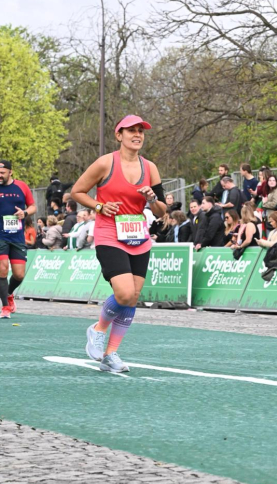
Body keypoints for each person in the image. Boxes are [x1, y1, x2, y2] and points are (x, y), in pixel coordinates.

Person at [71, 114, 168, 373]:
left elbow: (161, 211)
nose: (137, 135)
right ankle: (98, 329)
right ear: (119, 135)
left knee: (133, 297)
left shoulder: (151, 168)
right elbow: (77, 192)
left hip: (138, 234)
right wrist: (100, 206)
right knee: (124, 293)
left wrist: (151, 199)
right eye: (131, 131)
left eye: (141, 131)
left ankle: (111, 354)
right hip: (108, 233)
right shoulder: (105, 163)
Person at [0, 160, 37, 319]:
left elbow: (33, 206)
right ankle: (5, 307)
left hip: (17, 236)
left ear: (11, 172)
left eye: (2, 173)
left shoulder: (22, 187)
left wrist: (25, 213)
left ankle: (9, 293)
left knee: (19, 275)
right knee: (2, 268)